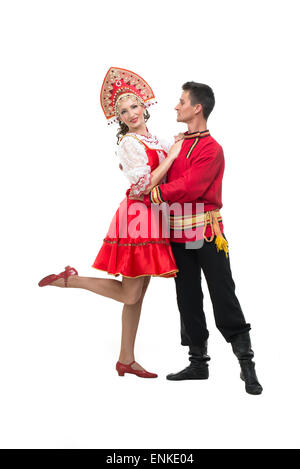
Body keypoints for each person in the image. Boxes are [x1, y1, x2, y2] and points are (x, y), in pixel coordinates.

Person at [38, 67, 183, 379]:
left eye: (134, 105)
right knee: (130, 294)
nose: (131, 113)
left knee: (139, 293)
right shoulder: (129, 143)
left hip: (156, 216)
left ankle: (126, 359)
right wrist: (171, 157)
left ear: (145, 106)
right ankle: (70, 279)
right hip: (138, 216)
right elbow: (143, 184)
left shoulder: (157, 138)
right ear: (118, 118)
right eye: (123, 111)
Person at [135, 82, 263, 395]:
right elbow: (161, 168)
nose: (176, 107)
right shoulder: (177, 145)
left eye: (181, 102)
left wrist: (156, 192)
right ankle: (198, 362)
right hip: (179, 234)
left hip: (205, 233)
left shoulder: (211, 149)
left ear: (197, 108)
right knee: (187, 296)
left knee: (222, 293)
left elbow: (191, 186)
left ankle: (247, 364)